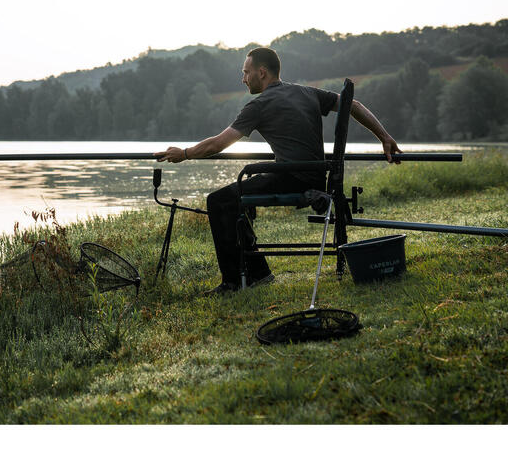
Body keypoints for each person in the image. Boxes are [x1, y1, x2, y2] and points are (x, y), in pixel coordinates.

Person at [154, 47, 401, 294]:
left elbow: (218, 144)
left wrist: (184, 154)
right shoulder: (306, 92)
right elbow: (354, 104)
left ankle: (232, 282)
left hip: (292, 178)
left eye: (246, 72)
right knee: (239, 193)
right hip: (316, 175)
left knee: (218, 201)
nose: (243, 79)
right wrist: (385, 136)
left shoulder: (259, 104)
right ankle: (259, 273)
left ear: (261, 73)